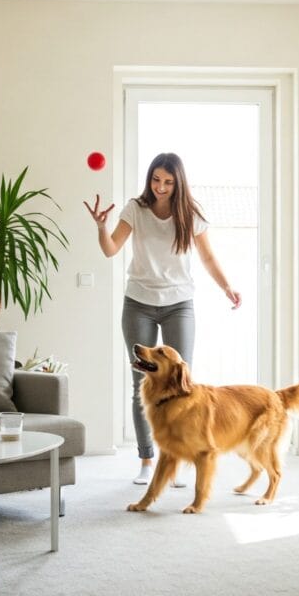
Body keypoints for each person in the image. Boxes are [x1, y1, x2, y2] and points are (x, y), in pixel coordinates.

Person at [84, 151, 242, 485]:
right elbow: (111, 249)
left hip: (179, 303)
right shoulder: (135, 210)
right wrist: (101, 227)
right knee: (140, 384)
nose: (161, 187)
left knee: (182, 384)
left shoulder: (190, 213)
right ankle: (146, 461)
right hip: (138, 302)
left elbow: (208, 256)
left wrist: (227, 287)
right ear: (149, 178)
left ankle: (178, 459)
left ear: (178, 182)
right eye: (156, 179)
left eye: (168, 182)